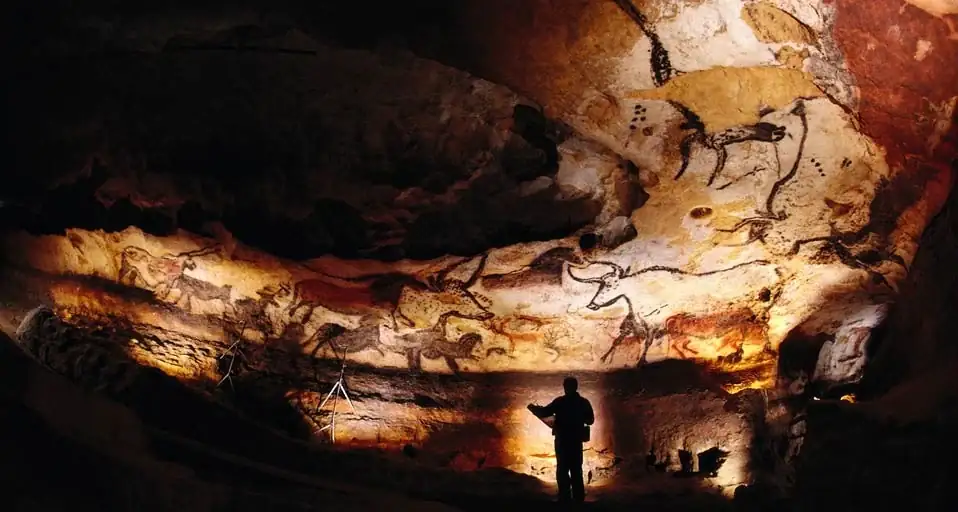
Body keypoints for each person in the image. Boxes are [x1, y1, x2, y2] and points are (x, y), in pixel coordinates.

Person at [528, 376, 595, 503]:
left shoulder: (560, 402)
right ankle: (578, 498)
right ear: (576, 387)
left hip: (562, 441)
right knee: (576, 469)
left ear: (565, 387)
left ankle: (564, 497)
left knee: (563, 469)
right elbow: (590, 420)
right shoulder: (583, 402)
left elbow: (545, 412)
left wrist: (534, 408)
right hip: (575, 441)